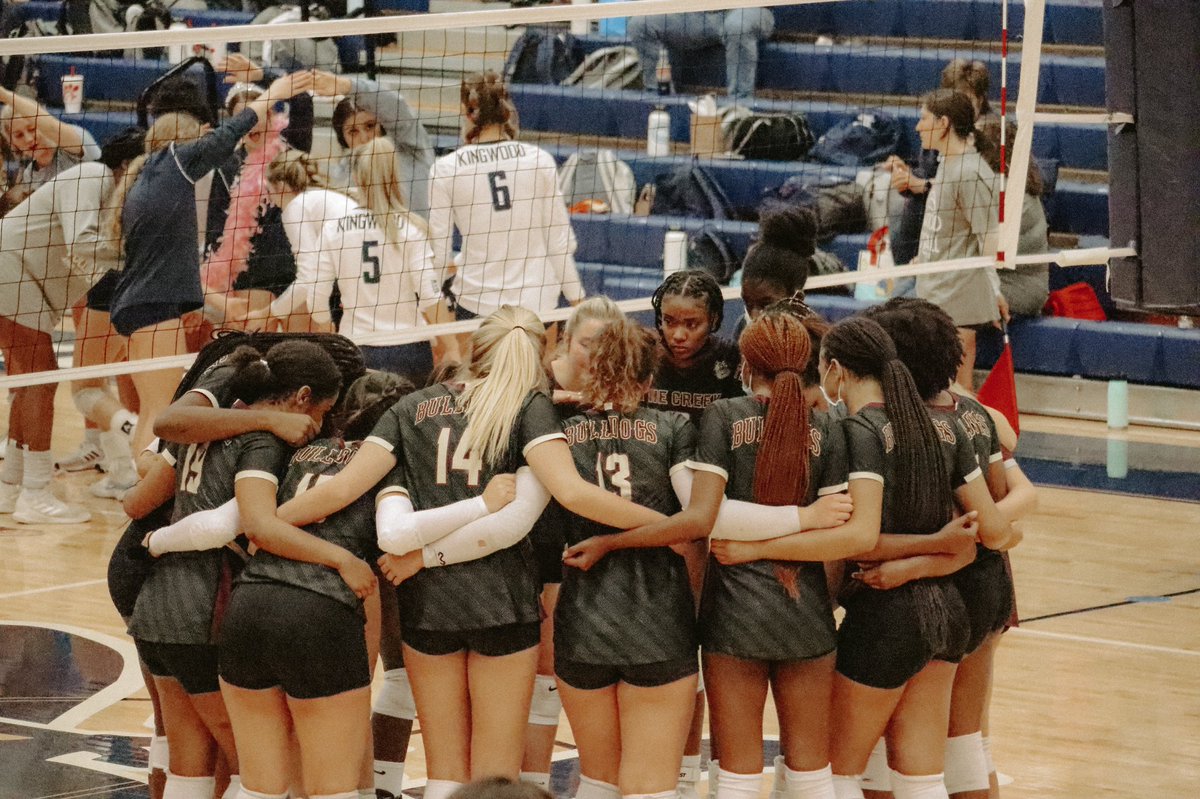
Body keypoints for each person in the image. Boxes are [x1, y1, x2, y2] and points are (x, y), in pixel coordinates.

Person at [270, 305, 668, 799]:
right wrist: (675, 525)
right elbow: (574, 494)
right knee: (493, 775)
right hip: (502, 602)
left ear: (475, 349)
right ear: (538, 352)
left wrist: (265, 525)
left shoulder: (410, 407)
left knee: (444, 769)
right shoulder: (528, 408)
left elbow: (339, 490)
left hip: (429, 605)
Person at [122, 339, 343, 799]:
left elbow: (136, 500)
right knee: (255, 766)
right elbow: (236, 523)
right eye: (322, 411)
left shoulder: (200, 429)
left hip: (156, 610)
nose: (318, 425)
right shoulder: (263, 441)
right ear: (302, 397)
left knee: (189, 762)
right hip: (202, 613)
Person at [814, 316, 1017, 799]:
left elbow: (855, 541)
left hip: (885, 618)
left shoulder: (851, 431)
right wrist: (944, 547)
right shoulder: (948, 426)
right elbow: (992, 530)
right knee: (921, 778)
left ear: (836, 370)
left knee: (835, 771)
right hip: (950, 613)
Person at [864, 298, 1037, 799]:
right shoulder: (976, 413)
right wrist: (1002, 531)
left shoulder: (895, 423)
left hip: (943, 581)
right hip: (989, 575)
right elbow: (1020, 490)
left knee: (890, 745)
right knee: (967, 739)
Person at [107, 70, 314, 456]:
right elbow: (229, 133)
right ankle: (143, 497)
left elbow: (167, 267)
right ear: (184, 138)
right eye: (199, 136)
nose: (207, 142)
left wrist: (221, 304)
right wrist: (274, 94)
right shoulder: (173, 163)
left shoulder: (150, 177)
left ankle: (145, 494)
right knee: (160, 412)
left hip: (144, 306)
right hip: (150, 309)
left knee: (160, 407)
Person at [547, 318, 709, 799]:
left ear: (591, 372)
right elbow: (696, 524)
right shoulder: (674, 427)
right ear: (649, 380)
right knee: (650, 786)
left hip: (581, 624)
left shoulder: (560, 433)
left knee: (598, 779)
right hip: (659, 623)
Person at [0, 132, 135, 523]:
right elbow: (82, 242)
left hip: (26, 285)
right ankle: (36, 495)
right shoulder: (91, 175)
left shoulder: (113, 202)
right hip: (11, 274)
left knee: (29, 382)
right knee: (41, 381)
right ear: (126, 165)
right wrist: (137, 255)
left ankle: (11, 488)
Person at [643, 268, 742, 796]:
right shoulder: (644, 356)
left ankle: (690, 774)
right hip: (651, 511)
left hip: (713, 514)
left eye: (692, 324)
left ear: (714, 324)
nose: (678, 335)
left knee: (701, 651)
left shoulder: (733, 365)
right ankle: (674, 772)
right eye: (669, 322)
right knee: (668, 648)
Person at [522, 296, 627, 791]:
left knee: (568, 679)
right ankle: (529, 783)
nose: (595, 356)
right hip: (537, 544)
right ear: (565, 340)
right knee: (539, 681)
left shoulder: (626, 395)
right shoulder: (535, 389)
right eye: (587, 344)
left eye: (607, 346)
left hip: (595, 546)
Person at [429, 71, 583, 324]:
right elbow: (559, 243)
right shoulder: (538, 159)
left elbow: (439, 252)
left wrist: (430, 311)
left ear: (468, 113)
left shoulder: (446, 168)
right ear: (505, 111)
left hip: (477, 303)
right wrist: (578, 302)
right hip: (537, 304)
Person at [308, 139, 457, 382]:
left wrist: (329, 335)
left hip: (355, 350)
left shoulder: (333, 230)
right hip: (409, 352)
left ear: (357, 179)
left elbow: (315, 297)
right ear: (395, 178)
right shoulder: (411, 228)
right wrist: (452, 346)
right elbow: (430, 296)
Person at [911, 89, 1003, 391]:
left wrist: (994, 292)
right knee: (940, 390)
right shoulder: (948, 163)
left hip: (958, 297)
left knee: (958, 393)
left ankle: (979, 436)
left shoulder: (970, 173)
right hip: (937, 289)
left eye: (924, 118)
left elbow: (989, 243)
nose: (918, 126)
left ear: (944, 123)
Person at [319, 69, 435, 217]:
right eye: (353, 132)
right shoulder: (344, 174)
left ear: (383, 125)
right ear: (343, 139)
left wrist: (349, 86)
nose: (364, 138)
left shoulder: (411, 149)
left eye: (370, 126)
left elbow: (396, 106)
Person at [975, 117, 1051, 317]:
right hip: (994, 279)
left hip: (1020, 287)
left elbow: (991, 253)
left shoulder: (1012, 194)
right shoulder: (992, 185)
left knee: (952, 299)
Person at [628, 9, 775, 100]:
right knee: (640, 24)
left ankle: (739, 106)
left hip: (748, 9)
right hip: (699, 13)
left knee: (738, 27)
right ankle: (661, 99)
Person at [0, 84, 101, 215]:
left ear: (42, 123)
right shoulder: (29, 175)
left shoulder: (74, 143)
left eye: (32, 128)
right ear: (13, 143)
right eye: (19, 135)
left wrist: (4, 95)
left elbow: (52, 128)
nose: (29, 139)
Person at [738, 205, 817, 326]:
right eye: (747, 304)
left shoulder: (814, 340)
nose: (754, 317)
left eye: (766, 305)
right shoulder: (742, 328)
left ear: (796, 299)